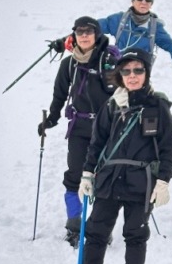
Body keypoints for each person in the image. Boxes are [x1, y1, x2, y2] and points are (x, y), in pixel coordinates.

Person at [76, 48, 172, 264]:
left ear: (146, 73)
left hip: (140, 183)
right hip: (109, 180)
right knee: (96, 234)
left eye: (138, 70)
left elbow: (168, 147)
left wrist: (163, 180)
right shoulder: (111, 106)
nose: (132, 75)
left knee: (135, 237)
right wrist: (87, 175)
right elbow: (96, 144)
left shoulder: (158, 106)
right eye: (126, 71)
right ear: (120, 75)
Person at [37, 16, 119, 246]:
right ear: (74, 35)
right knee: (74, 176)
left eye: (89, 31)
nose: (84, 35)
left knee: (105, 178)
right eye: (79, 32)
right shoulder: (69, 64)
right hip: (79, 128)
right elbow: (59, 95)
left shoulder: (109, 60)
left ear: (97, 35)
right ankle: (75, 225)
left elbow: (122, 93)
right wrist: (51, 119)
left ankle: (101, 227)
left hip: (107, 129)